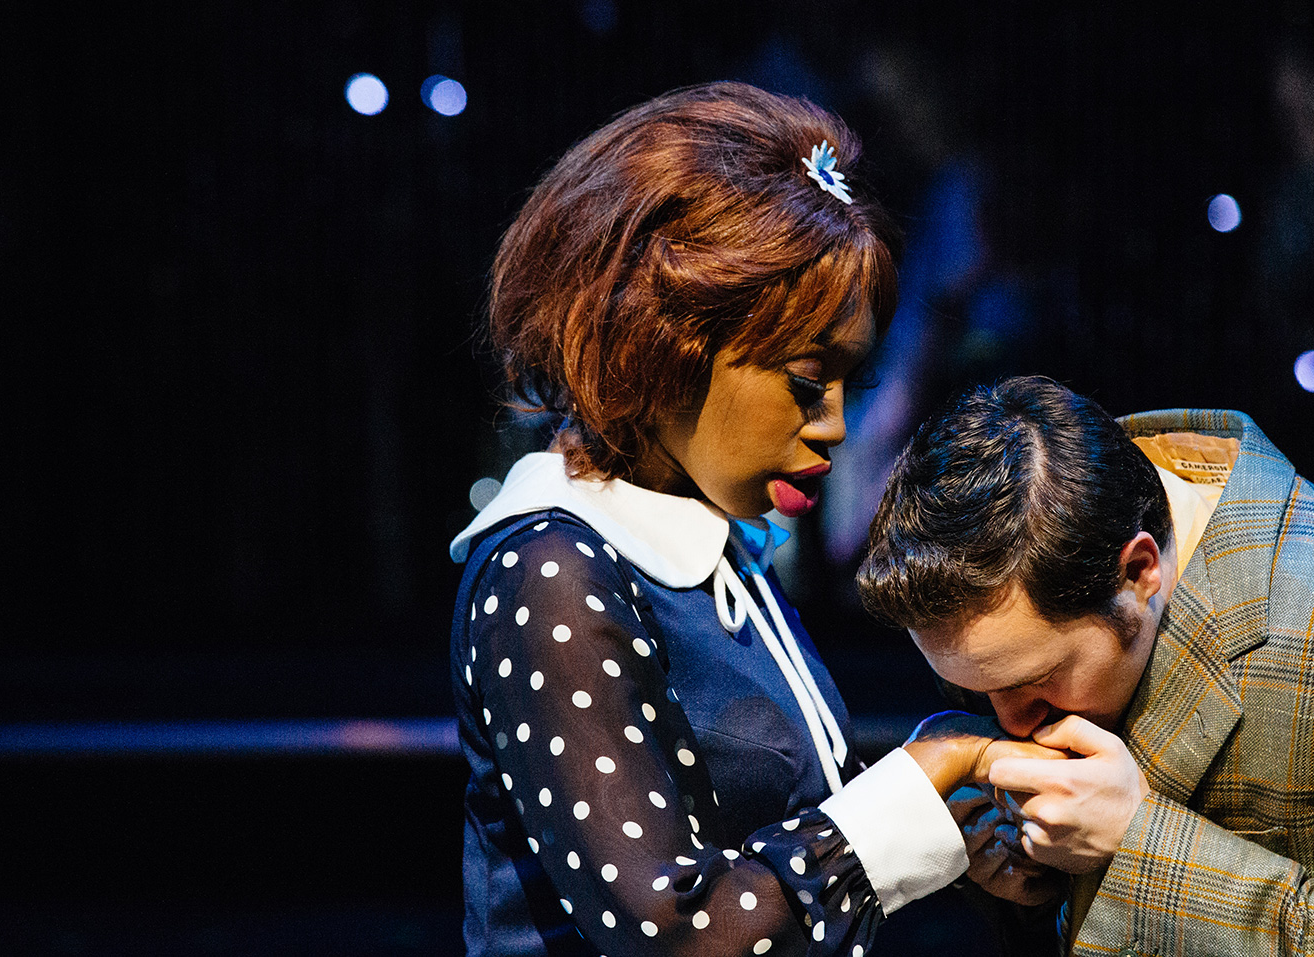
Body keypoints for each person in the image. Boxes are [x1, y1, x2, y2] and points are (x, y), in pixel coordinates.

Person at [449, 82, 1053, 957]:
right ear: (667, 343)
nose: (836, 424)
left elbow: (789, 851)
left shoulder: (708, 555)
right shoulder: (550, 568)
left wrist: (958, 820)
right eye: (808, 380)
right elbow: (674, 935)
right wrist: (907, 802)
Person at [857, 375, 1314, 956]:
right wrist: (1033, 892)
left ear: (1139, 571)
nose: (1008, 725)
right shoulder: (1043, 542)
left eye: (1033, 684)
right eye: (969, 686)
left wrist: (1137, 843)